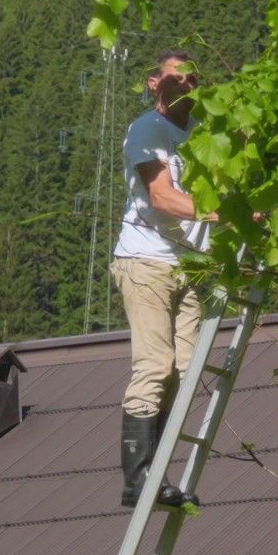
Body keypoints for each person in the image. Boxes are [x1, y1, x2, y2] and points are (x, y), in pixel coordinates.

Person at [110, 49, 218, 508]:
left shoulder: (205, 138)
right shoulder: (147, 130)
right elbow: (161, 198)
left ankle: (159, 473)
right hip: (147, 261)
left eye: (191, 79)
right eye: (174, 79)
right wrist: (224, 213)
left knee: (184, 372)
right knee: (154, 366)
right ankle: (138, 481)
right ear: (156, 83)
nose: (184, 85)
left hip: (190, 264)